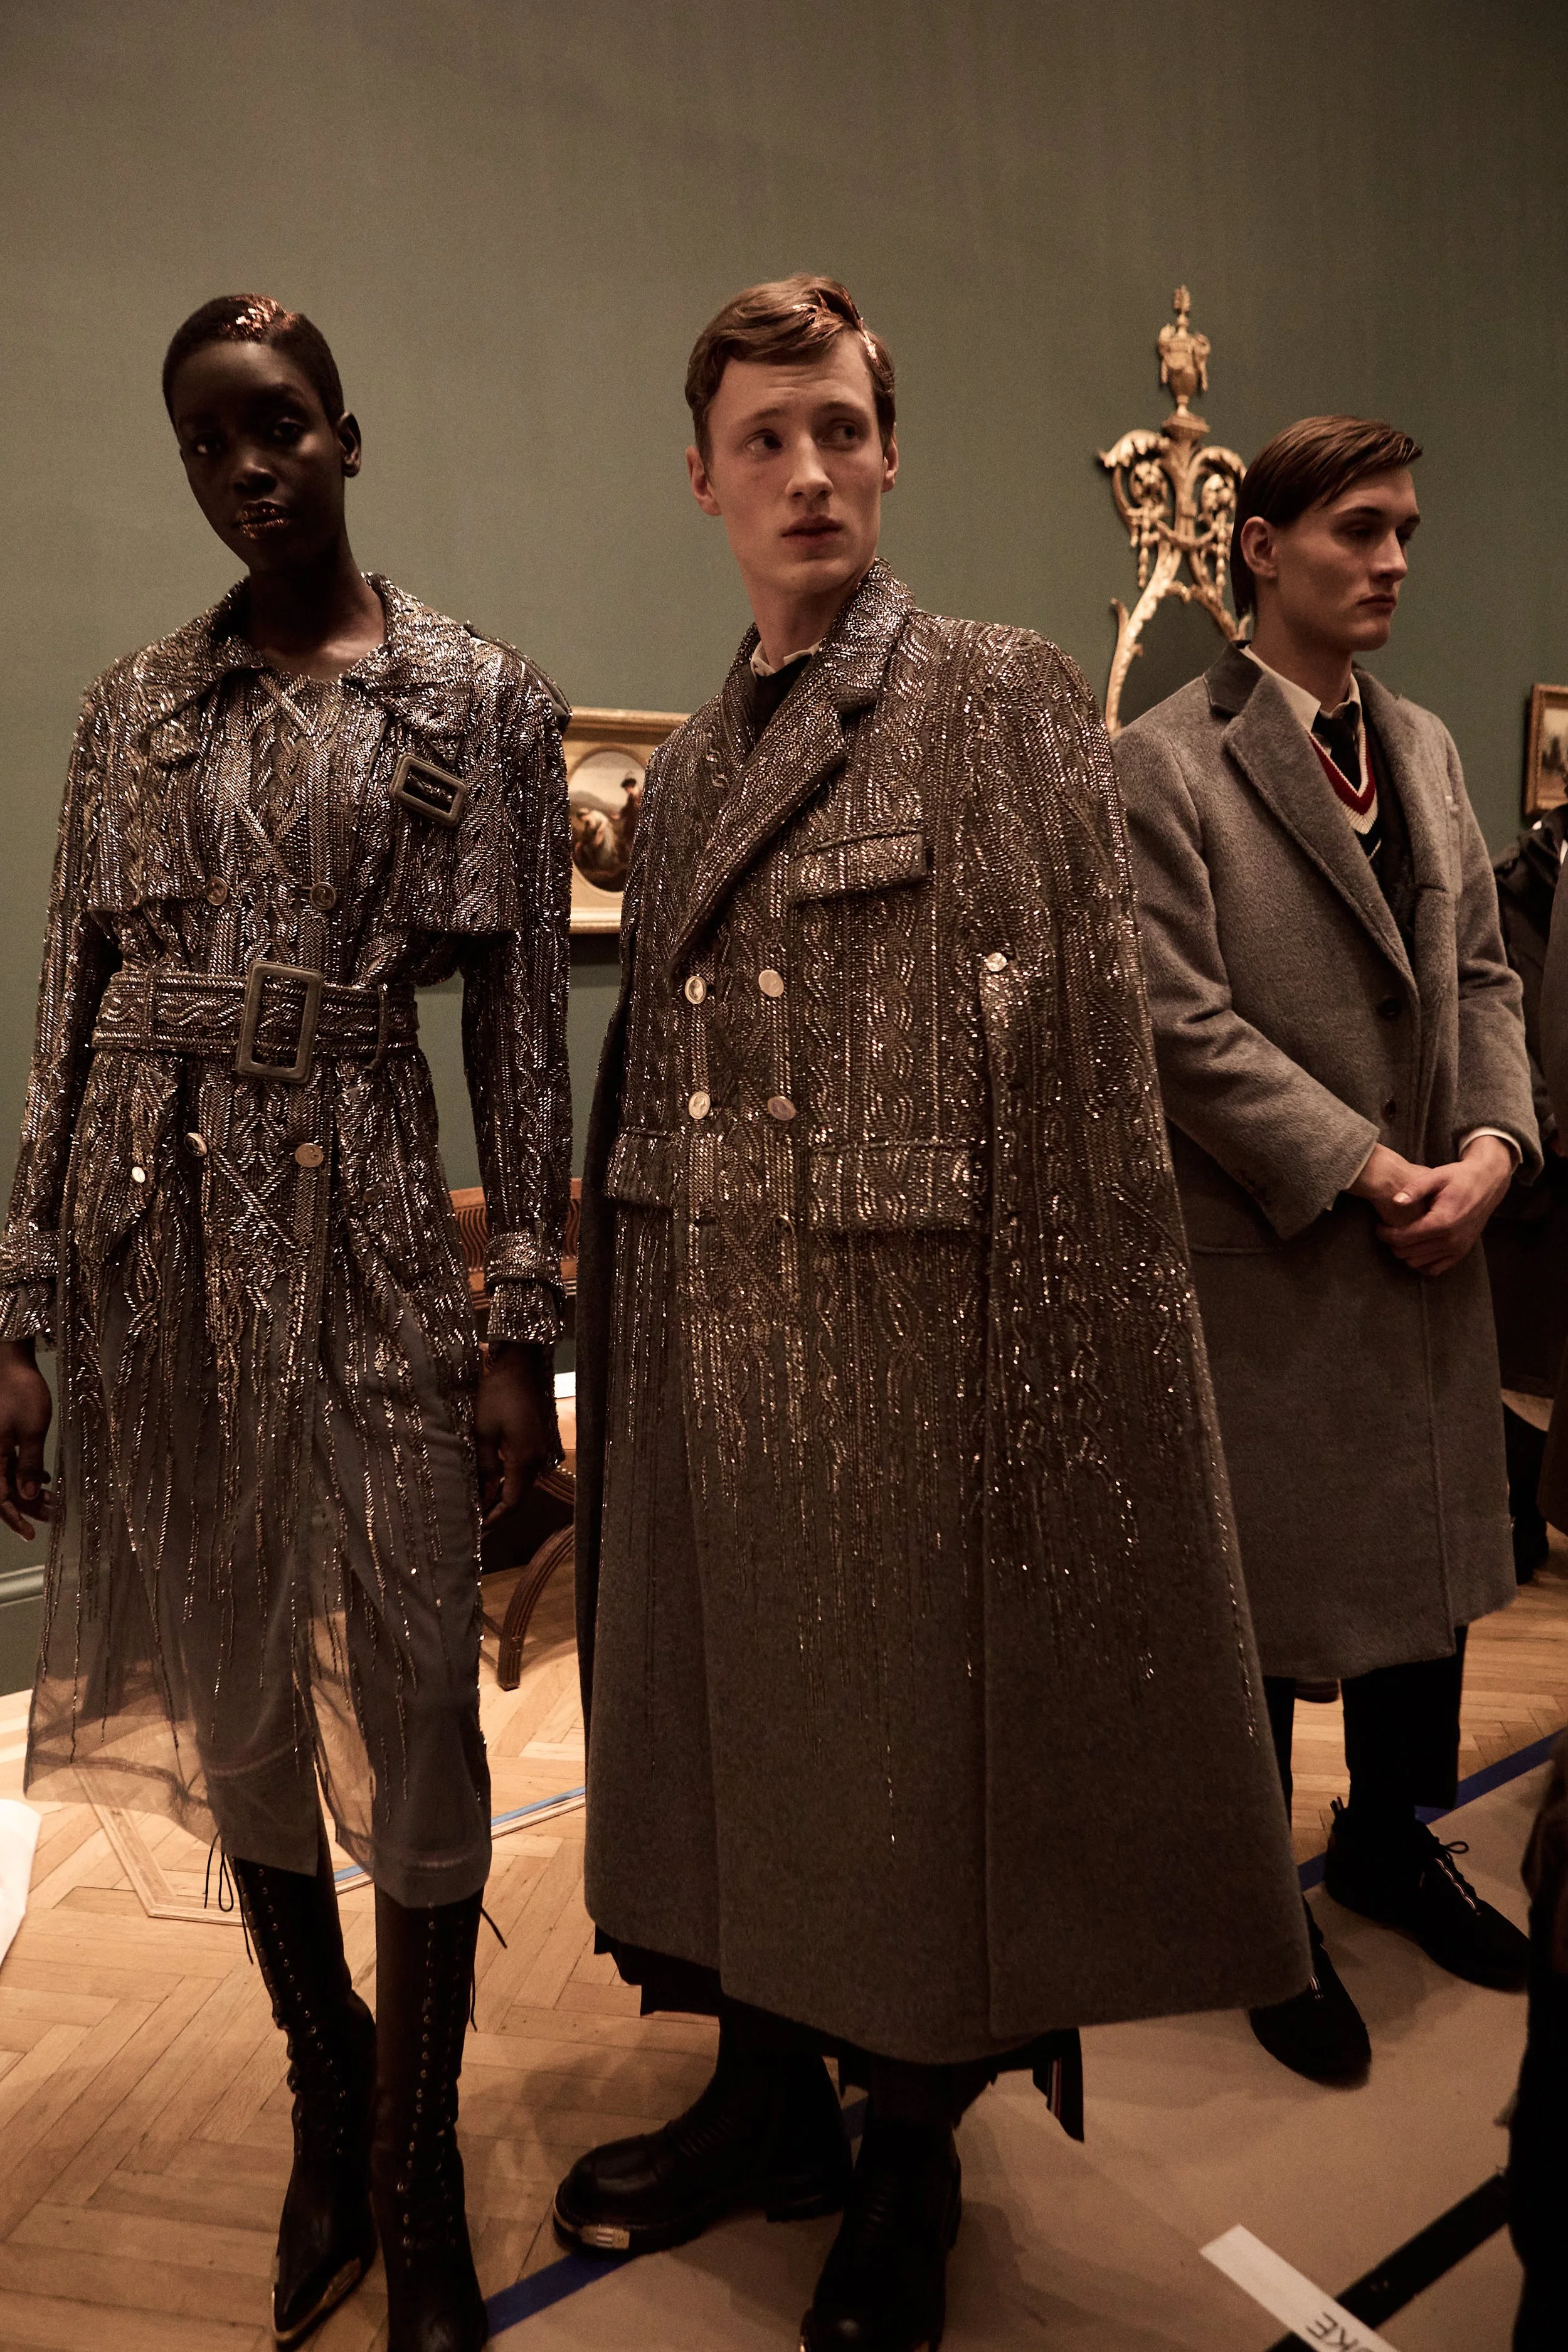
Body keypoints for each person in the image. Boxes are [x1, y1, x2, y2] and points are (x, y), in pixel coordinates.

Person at [556, 275, 1306, 2352]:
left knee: (899, 1799)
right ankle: (761, 2095)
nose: (808, 470)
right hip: (710, 1340)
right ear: (700, 478)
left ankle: (910, 2154)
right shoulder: (695, 768)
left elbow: (1078, 1078)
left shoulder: (994, 695)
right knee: (719, 1760)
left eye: (841, 430)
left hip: (917, 1359)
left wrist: (1067, 1413)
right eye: (766, 438)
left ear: (888, 456)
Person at [0, 295, 572, 2351]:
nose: (250, 471)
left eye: (281, 430)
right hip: (163, 1256)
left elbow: (517, 1031)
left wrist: (523, 1319)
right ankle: (329, 2090)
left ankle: (418, 2173)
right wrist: (24, 1304)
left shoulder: (473, 698)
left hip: (373, 1244)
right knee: (237, 1698)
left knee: (417, 1699)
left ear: (349, 430)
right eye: (208, 447)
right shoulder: (132, 711)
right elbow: (65, 1006)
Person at [1116, 415, 1537, 2089]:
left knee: (1425, 1579)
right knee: (1272, 1603)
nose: (1392, 560)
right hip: (1283, 1251)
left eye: (1406, 530)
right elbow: (1169, 1019)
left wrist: (1495, 1150)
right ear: (1258, 548)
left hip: (1436, 1243)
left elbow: (1487, 975)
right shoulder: (1162, 759)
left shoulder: (1424, 746)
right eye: (1358, 529)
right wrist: (1366, 1167)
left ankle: (1388, 1838)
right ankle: (1252, 1907)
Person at [1490, 803, 1568, 1576]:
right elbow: (1497, 1008)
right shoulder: (1512, 886)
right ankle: (1516, 1513)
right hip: (1534, 1157)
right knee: (1522, 1351)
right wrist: (1546, 1116)